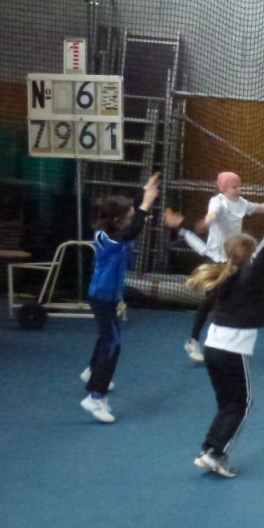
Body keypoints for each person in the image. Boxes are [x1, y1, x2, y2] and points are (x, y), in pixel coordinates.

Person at [181, 207, 264, 478]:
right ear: (249, 254)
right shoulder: (250, 275)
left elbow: (261, 256)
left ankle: (209, 448)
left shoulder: (225, 273)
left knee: (227, 404)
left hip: (212, 347)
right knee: (242, 403)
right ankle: (216, 454)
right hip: (233, 351)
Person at [177, 171, 264, 363]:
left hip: (234, 259)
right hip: (216, 259)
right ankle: (194, 341)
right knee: (209, 301)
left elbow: (263, 208)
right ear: (224, 188)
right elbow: (212, 214)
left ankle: (229, 341)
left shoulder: (242, 203)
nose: (239, 189)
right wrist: (207, 221)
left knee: (232, 298)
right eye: (234, 187)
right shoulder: (217, 201)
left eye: (240, 186)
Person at [80, 172, 160, 423]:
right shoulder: (107, 238)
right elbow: (133, 231)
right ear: (116, 220)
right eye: (128, 217)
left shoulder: (114, 232)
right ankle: (95, 398)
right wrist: (146, 204)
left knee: (107, 336)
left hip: (108, 295)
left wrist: (144, 195)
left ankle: (92, 372)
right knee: (113, 343)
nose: (132, 220)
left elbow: (131, 226)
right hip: (102, 296)